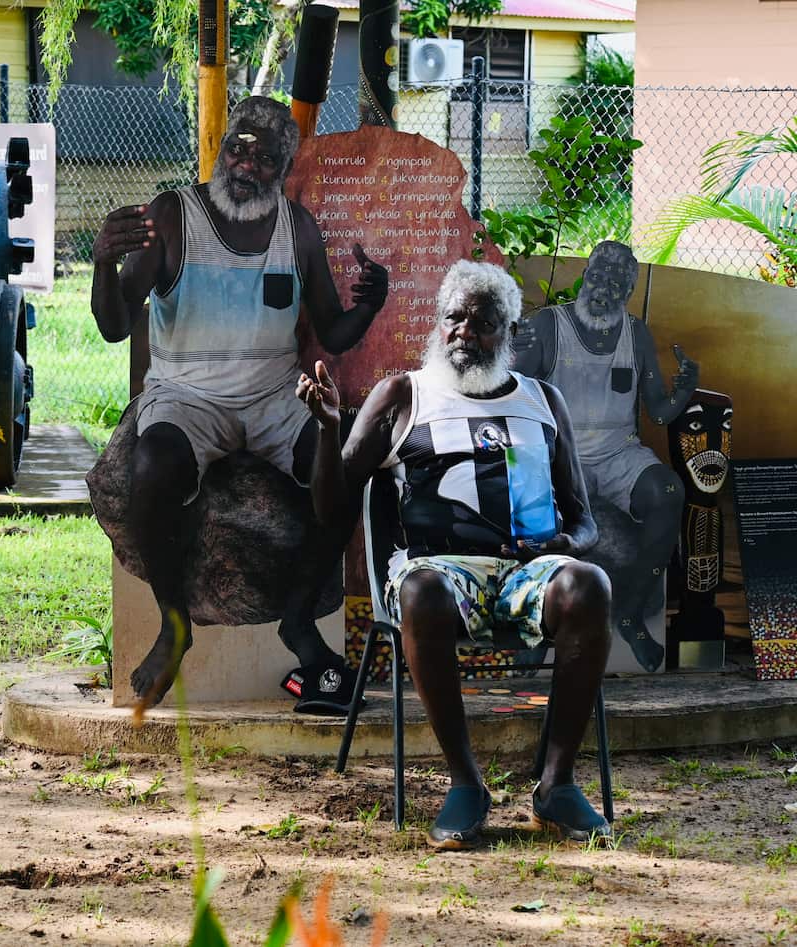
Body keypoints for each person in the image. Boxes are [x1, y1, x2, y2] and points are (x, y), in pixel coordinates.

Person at [297, 260, 612, 849]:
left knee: (588, 584)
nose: (466, 332)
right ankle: (466, 784)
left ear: (510, 334)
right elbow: (330, 512)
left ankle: (556, 786)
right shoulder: (403, 395)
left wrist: (563, 546)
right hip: (438, 573)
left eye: (485, 322)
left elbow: (585, 522)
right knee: (422, 592)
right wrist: (327, 428)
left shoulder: (544, 402)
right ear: (438, 326)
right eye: (454, 318)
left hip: (530, 572)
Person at [91, 96, 389, 707]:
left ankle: (300, 622)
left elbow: (331, 332)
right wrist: (102, 264)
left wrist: (370, 303)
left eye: (266, 156)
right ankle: (174, 624)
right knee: (151, 464)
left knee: (344, 467)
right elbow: (115, 325)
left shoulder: (296, 228)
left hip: (275, 395)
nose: (247, 164)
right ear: (223, 149)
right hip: (186, 393)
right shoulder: (175, 215)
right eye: (239, 147)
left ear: (284, 167)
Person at [513, 241, 697, 671]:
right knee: (530, 501)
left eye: (617, 282)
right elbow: (512, 393)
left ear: (629, 290)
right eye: (598, 276)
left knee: (668, 492)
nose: (603, 288)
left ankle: (630, 614)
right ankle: (536, 627)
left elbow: (659, 411)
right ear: (584, 276)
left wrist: (685, 388)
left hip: (618, 452)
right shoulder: (548, 325)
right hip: (561, 451)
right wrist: (509, 350)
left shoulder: (636, 333)